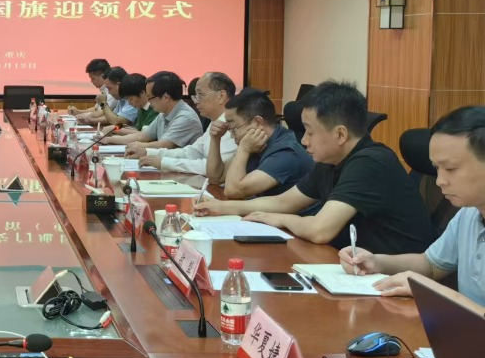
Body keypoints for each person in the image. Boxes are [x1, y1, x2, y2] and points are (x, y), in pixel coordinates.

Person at [196, 80, 435, 253]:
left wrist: (279, 219)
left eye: (310, 132)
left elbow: (321, 230)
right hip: (351, 264)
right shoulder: (330, 161)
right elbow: (284, 202)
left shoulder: (370, 162)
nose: (303, 140)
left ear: (340, 134)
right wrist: (221, 207)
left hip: (392, 278)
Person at [339, 106, 485, 305]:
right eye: (436, 168)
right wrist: (377, 262)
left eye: (450, 168)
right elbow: (431, 265)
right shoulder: (469, 213)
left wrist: (431, 290)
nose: (440, 180)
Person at [125, 71, 238, 175]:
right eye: (195, 95)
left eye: (200, 95)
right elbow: (191, 152)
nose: (195, 100)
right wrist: (148, 153)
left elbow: (212, 168)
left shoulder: (232, 125)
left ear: (221, 96)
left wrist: (163, 162)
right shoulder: (215, 121)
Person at [207, 88, 313, 198]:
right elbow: (216, 177)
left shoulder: (286, 152)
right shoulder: (257, 143)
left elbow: (232, 191)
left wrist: (243, 149)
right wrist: (215, 139)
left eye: (234, 128)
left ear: (257, 122)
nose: (231, 135)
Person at [108, 72, 201, 148]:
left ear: (166, 97)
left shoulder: (185, 117)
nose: (148, 101)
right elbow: (143, 136)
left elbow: (164, 145)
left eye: (150, 97)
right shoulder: (163, 114)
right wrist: (109, 139)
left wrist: (138, 146)